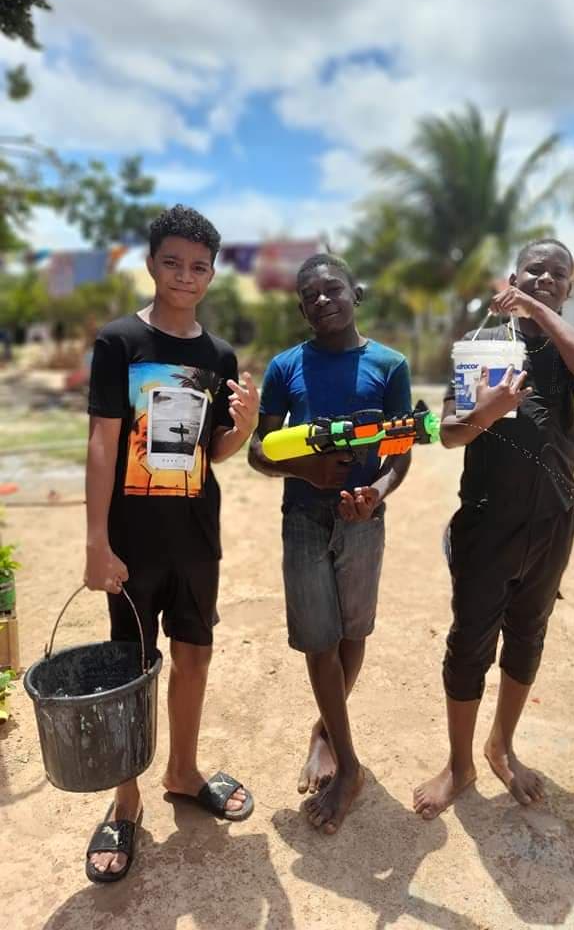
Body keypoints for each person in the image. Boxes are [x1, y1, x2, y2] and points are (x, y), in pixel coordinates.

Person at [83, 205, 259, 882]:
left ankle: (183, 773)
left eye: (199, 266)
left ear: (212, 274)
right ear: (151, 263)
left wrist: (240, 429)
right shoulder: (119, 342)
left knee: (194, 654)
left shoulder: (217, 357)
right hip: (132, 540)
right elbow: (103, 444)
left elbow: (210, 453)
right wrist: (97, 541)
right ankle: (125, 801)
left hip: (194, 538)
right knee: (131, 669)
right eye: (172, 262)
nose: (186, 276)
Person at [413, 239, 574, 819]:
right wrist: (487, 412)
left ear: (569, 290)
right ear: (512, 275)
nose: (546, 277)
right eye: (535, 270)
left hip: (552, 521)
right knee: (469, 641)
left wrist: (539, 309)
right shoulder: (480, 345)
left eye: (559, 275)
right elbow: (449, 433)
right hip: (485, 521)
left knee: (528, 634)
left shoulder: (565, 352)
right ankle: (460, 763)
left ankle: (501, 746)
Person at [248, 253, 412, 835]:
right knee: (319, 639)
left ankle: (324, 732)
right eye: (310, 295)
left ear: (355, 292)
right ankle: (349, 765)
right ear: (300, 307)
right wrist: (309, 475)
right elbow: (260, 451)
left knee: (351, 634)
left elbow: (401, 452)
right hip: (305, 519)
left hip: (364, 521)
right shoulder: (285, 366)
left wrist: (378, 492)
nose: (322, 300)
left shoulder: (390, 366)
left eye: (332, 289)